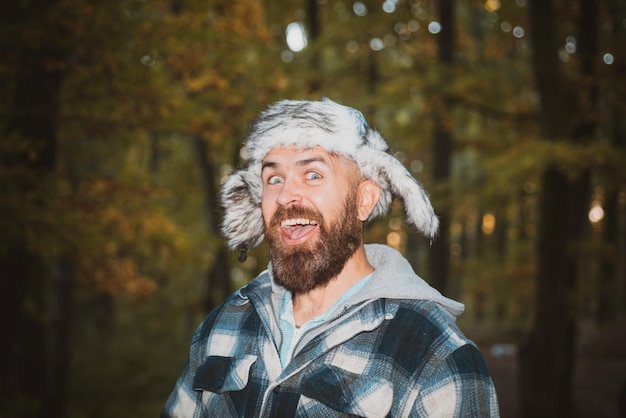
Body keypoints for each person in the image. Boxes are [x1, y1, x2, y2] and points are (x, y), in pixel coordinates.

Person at [161, 98, 500, 417]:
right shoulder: (223, 326)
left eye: (313, 174)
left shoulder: (437, 356)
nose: (285, 195)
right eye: (273, 178)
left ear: (363, 200)